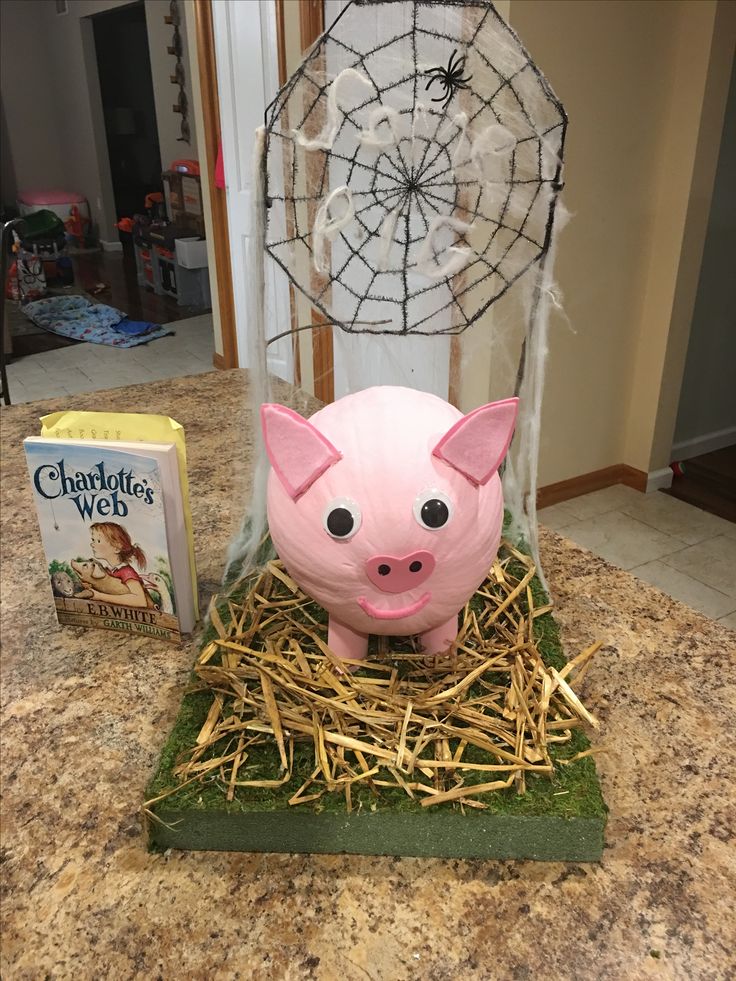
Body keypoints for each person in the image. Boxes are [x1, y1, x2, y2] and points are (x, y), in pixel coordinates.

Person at [88, 522, 150, 608]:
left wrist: (99, 596)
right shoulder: (108, 571)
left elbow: (140, 601)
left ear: (117, 548)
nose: (92, 544)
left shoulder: (126, 572)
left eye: (98, 541)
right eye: (93, 540)